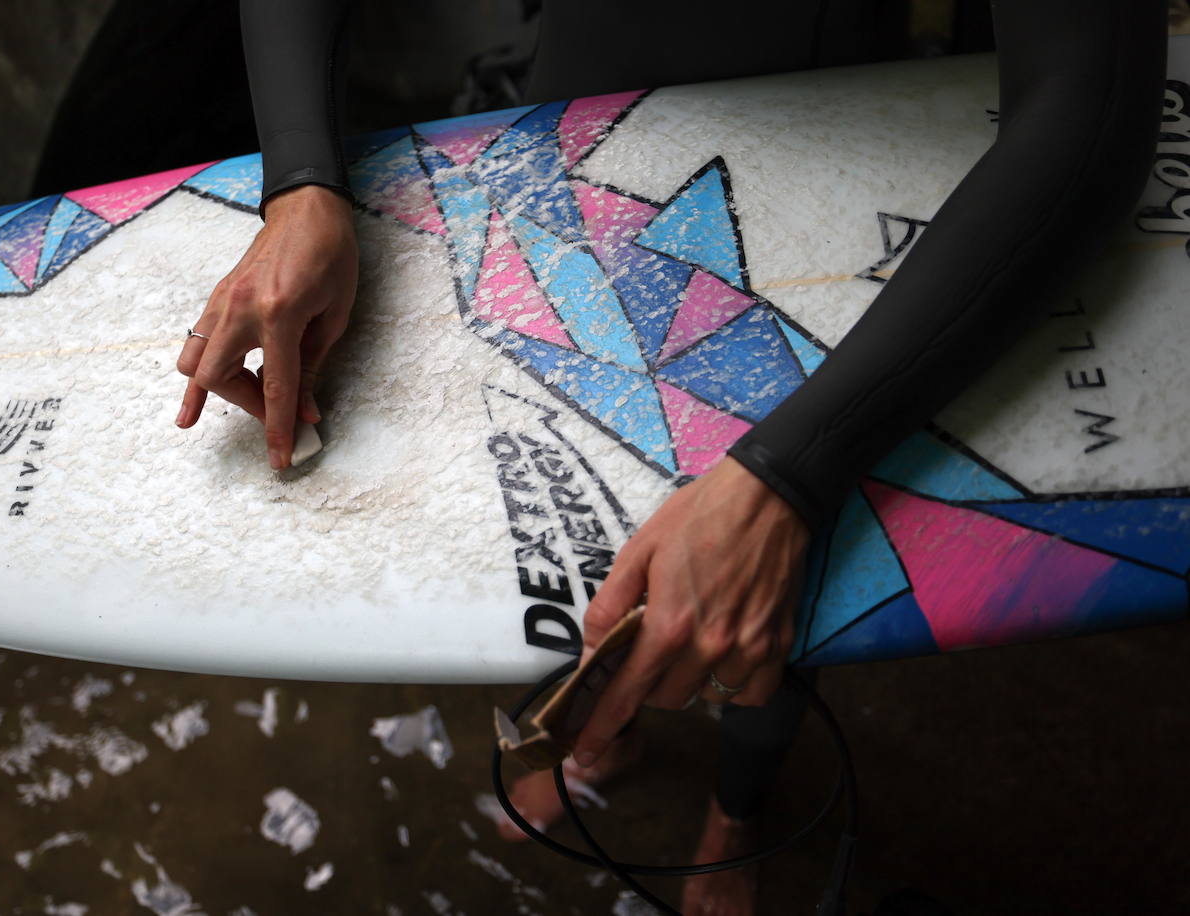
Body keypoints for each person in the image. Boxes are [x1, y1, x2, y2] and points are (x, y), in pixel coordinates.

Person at [175, 2, 1166, 912]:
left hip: (823, 163)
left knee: (769, 583)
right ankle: (593, 725)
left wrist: (795, 469)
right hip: (571, 120)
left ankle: (734, 816)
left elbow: (1094, 105)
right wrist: (302, 184)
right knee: (550, 504)